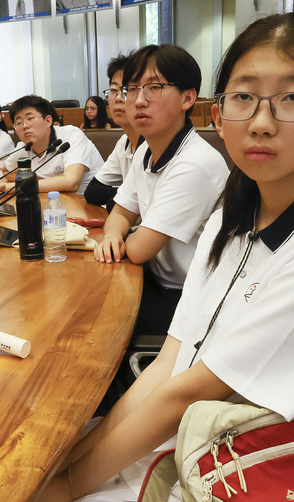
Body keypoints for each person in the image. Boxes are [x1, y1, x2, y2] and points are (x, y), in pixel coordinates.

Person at [0, 13, 294, 502]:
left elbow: (189, 391)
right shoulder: (235, 213)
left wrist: (69, 483)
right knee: (8, 472)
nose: (262, 123)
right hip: (178, 440)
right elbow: (171, 360)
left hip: (223, 483)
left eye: (293, 99)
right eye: (245, 98)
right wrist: (71, 465)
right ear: (220, 115)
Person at [94, 44, 230, 337]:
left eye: (154, 87)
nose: (139, 100)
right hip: (157, 281)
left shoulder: (195, 163)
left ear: (188, 97)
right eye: (132, 89)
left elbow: (140, 250)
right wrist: (112, 235)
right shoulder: (146, 150)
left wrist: (121, 236)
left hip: (192, 300)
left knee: (94, 325)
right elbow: (119, 212)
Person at [0, 95, 104, 195]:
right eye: (18, 122)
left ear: (48, 121)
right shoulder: (22, 148)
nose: (24, 125)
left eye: (30, 118)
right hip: (56, 203)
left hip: (92, 204)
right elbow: (5, 172)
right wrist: (35, 180)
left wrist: (16, 186)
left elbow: (72, 182)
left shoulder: (71, 135)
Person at [84, 53, 144, 212]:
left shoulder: (153, 145)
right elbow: (92, 192)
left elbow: (117, 204)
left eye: (126, 89)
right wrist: (125, 194)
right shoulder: (124, 141)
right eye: (112, 90)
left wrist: (120, 197)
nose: (117, 98)